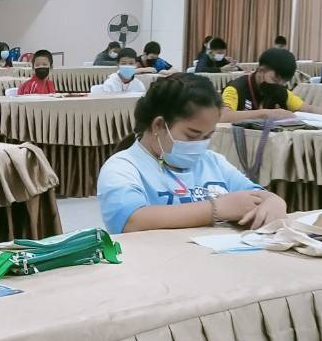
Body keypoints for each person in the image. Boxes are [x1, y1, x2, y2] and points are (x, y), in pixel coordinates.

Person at [98, 74, 287, 234]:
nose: (200, 144)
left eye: (208, 136)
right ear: (159, 126)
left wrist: (273, 200)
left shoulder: (211, 161)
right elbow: (131, 221)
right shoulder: (122, 167)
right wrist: (215, 209)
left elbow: (255, 195)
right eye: (192, 135)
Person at [221, 48, 322, 123]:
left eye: (283, 82)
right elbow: (223, 116)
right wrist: (265, 113)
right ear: (261, 71)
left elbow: (309, 109)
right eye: (275, 79)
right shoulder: (235, 89)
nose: (279, 85)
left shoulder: (279, 90)